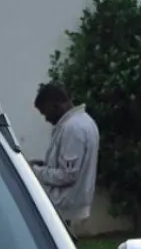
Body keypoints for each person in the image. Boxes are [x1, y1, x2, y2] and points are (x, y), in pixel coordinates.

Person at [31, 82, 99, 233]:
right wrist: (45, 165)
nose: (46, 119)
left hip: (66, 210)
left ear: (55, 105)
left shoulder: (72, 128)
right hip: (72, 207)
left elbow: (68, 175)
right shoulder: (85, 121)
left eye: (45, 113)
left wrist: (35, 171)